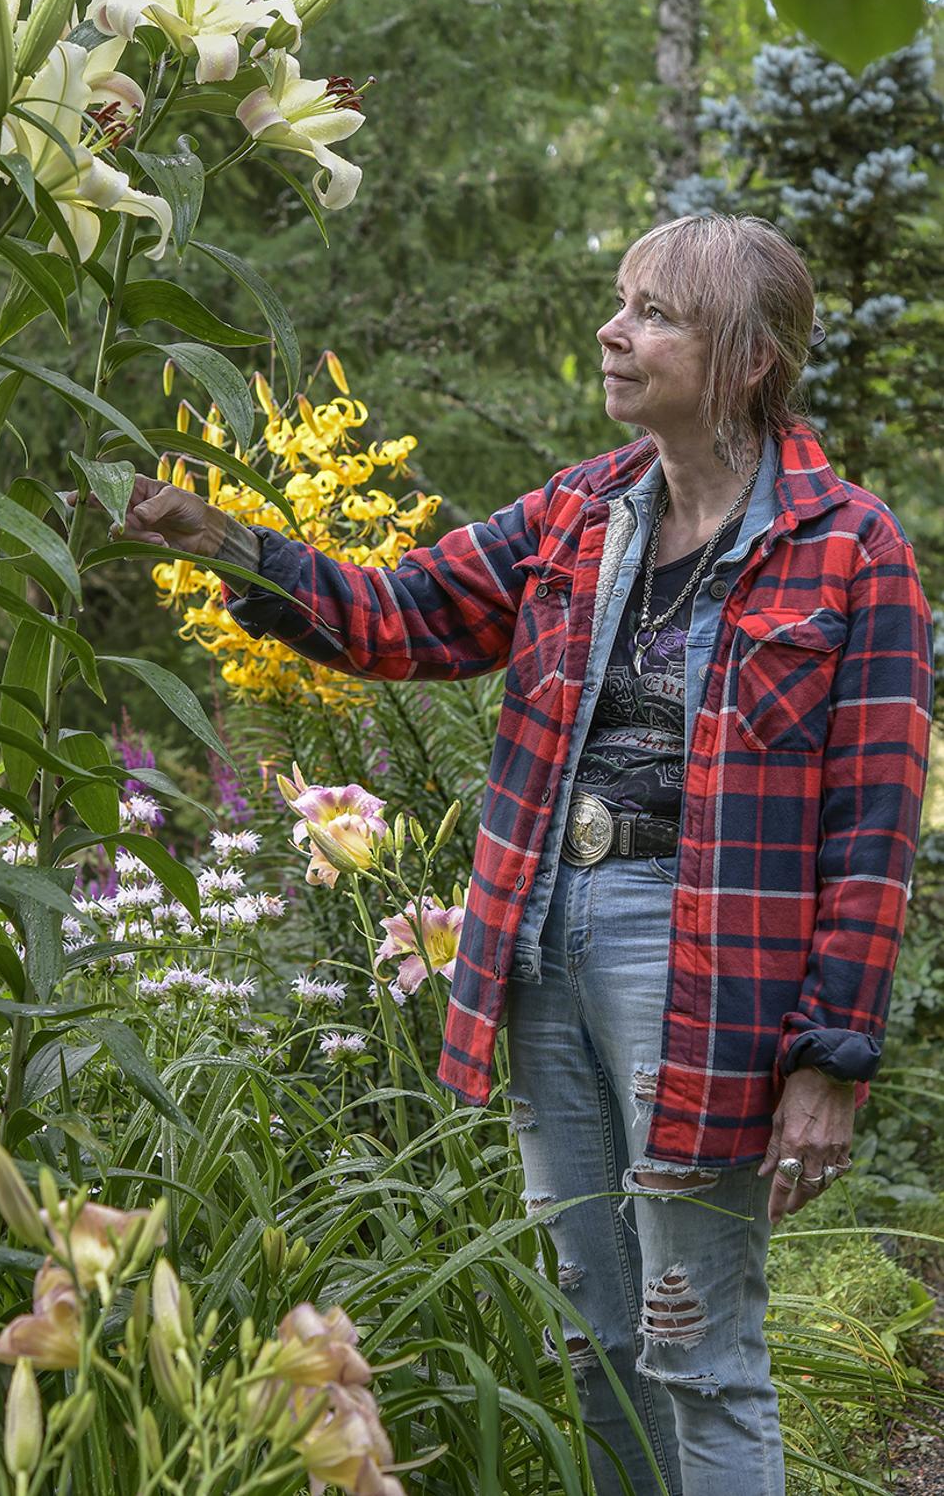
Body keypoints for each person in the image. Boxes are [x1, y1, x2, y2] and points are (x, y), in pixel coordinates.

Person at [125, 213, 933, 1496]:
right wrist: (224, 540)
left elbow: (873, 827)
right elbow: (396, 617)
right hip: (543, 936)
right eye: (622, 301)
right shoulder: (576, 512)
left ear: (741, 356)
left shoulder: (850, 548)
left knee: (695, 1345)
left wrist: (832, 1056)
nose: (614, 331)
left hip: (706, 964)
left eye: (653, 312)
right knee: (593, 1334)